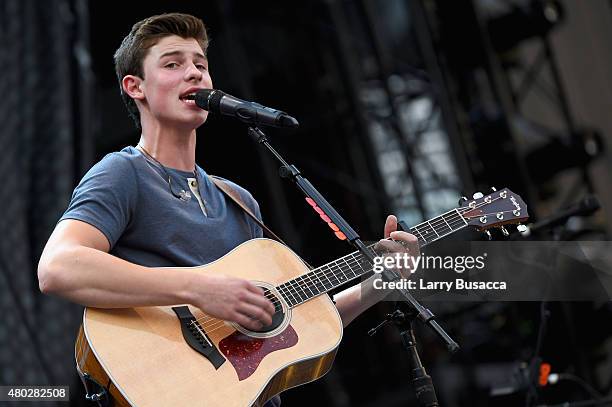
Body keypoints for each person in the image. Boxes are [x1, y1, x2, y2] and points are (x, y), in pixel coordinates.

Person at [37, 12, 418, 405]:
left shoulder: (238, 199)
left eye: (200, 65)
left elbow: (296, 322)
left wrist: (379, 286)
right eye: (173, 64)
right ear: (135, 87)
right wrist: (198, 289)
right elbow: (58, 268)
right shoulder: (124, 173)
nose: (194, 74)